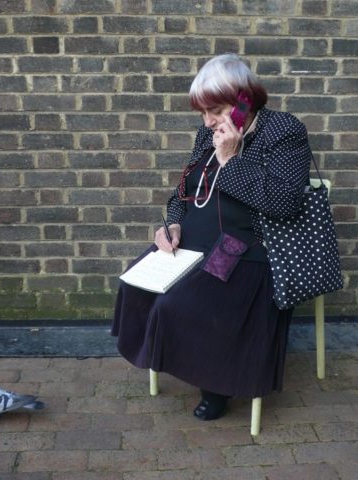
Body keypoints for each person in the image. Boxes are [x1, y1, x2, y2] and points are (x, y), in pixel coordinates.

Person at [111, 54, 312, 420]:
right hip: (190, 243)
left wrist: (231, 160)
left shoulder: (284, 131)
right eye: (202, 112)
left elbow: (284, 203)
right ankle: (181, 358)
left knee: (181, 307)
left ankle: (216, 385)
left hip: (242, 249)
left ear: (243, 100)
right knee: (135, 287)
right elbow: (182, 192)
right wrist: (171, 224)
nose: (207, 122)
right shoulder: (207, 133)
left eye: (215, 110)